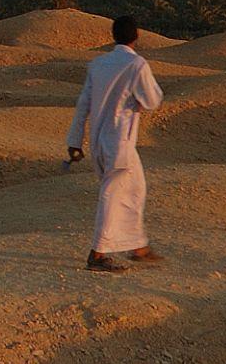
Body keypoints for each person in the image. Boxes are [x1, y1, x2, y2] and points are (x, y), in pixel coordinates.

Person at [67, 14, 165, 272]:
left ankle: (138, 246)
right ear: (136, 37)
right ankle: (97, 254)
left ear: (114, 36)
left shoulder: (98, 64)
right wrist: (140, 101)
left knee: (135, 188)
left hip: (100, 141)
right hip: (119, 142)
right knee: (113, 194)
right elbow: (153, 100)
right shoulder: (137, 65)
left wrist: (74, 142)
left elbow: (83, 105)